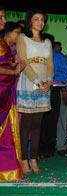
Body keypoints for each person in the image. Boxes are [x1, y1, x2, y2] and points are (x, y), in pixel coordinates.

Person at [16, 8, 53, 174]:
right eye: (37, 19)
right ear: (30, 21)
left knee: (38, 125)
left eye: (43, 20)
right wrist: (38, 82)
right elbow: (24, 62)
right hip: (29, 84)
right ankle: (24, 160)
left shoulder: (47, 42)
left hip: (45, 86)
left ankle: (34, 159)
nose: (40, 22)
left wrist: (49, 82)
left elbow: (50, 65)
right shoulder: (22, 38)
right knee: (26, 125)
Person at [0, 15, 26, 181]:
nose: (3, 19)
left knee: (8, 131)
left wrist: (16, 67)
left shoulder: (5, 46)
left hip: (6, 92)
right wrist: (14, 72)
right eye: (0, 17)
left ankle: (7, 168)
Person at [38, 33, 67, 158]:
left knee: (51, 121)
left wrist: (51, 80)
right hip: (37, 91)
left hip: (52, 91)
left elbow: (66, 73)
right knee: (39, 121)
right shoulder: (35, 55)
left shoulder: (57, 56)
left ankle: (49, 149)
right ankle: (38, 149)